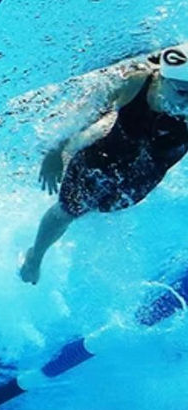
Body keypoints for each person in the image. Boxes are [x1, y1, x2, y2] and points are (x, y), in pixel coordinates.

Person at [19, 45, 188, 284]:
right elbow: (83, 113)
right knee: (68, 210)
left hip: (147, 172)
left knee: (106, 207)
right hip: (104, 155)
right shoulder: (137, 81)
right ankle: (35, 257)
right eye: (183, 93)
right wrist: (55, 151)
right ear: (162, 78)